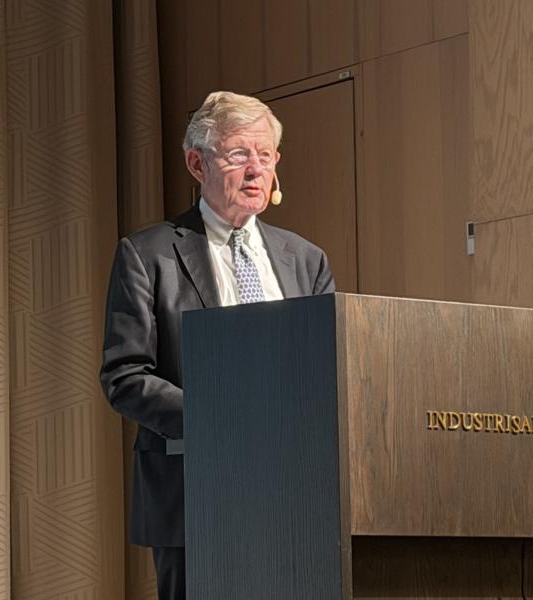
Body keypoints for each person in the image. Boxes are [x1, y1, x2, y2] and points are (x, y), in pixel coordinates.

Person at [99, 90, 335, 600]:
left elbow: (330, 368)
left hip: (295, 493)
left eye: (265, 155)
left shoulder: (306, 260)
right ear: (196, 163)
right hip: (194, 492)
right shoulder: (147, 255)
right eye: (238, 155)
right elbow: (124, 375)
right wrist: (223, 420)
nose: (255, 169)